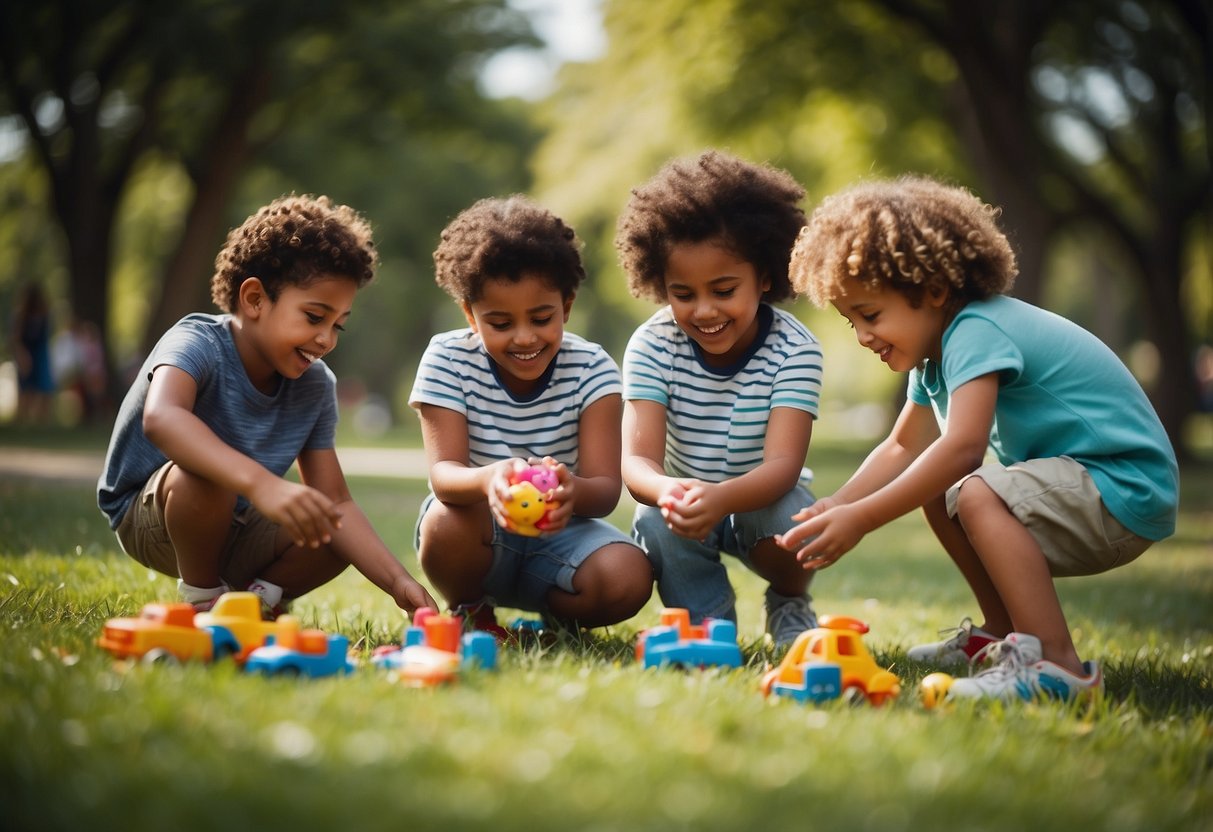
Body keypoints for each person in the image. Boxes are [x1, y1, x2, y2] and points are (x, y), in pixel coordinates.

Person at [778, 176, 1178, 702]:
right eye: (851, 321)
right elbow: (903, 448)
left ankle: (1057, 665)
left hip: (1124, 486)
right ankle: (1001, 632)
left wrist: (864, 519)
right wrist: (839, 503)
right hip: (1090, 485)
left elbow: (963, 447)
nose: (863, 336)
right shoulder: (935, 356)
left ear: (935, 291)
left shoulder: (977, 329)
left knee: (973, 488)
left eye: (870, 315)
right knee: (944, 495)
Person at [97, 195, 436, 618]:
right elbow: (162, 419)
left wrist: (397, 581)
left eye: (338, 325)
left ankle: (257, 604)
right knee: (209, 475)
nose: (327, 339)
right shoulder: (197, 343)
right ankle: (204, 600)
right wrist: (262, 485)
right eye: (315, 317)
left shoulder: (314, 385)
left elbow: (339, 502)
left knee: (331, 525)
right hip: (157, 517)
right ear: (255, 298)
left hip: (238, 527)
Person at [409, 195, 653, 640]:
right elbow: (444, 475)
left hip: (562, 541)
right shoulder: (447, 359)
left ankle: (554, 618)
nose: (524, 338)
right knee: (445, 522)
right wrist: (491, 479)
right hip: (477, 533)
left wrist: (569, 491)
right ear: (470, 314)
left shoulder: (593, 368)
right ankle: (470, 609)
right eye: (500, 323)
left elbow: (604, 492)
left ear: (568, 305)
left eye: (542, 318)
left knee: (629, 575)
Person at [615, 150, 825, 649]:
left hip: (762, 498)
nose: (704, 310)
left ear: (766, 278)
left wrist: (723, 498)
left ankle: (789, 601)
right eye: (683, 294)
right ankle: (711, 628)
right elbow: (638, 461)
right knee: (653, 519)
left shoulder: (795, 350)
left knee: (793, 517)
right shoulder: (651, 344)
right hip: (687, 500)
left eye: (724, 289)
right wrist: (668, 493)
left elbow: (783, 467)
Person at [10, 282, 55, 424]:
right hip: (26, 353)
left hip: (40, 354)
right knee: (26, 389)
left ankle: (41, 422)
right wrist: (22, 355)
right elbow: (16, 338)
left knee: (44, 387)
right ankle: (22, 420)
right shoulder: (21, 316)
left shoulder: (44, 315)